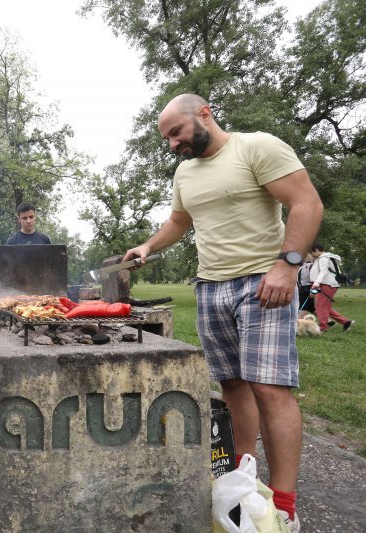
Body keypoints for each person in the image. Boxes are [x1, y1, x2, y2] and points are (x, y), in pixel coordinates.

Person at [123, 94, 323, 531]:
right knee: (232, 385)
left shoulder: (256, 147)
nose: (173, 144)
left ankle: (285, 507)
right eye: (167, 139)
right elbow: (180, 221)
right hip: (211, 287)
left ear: (204, 114)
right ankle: (242, 480)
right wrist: (148, 246)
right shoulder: (185, 171)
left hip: (262, 283)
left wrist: (287, 267)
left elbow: (307, 203)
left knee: (270, 389)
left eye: (176, 132)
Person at [309, 243, 354, 332]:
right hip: (327, 284)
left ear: (317, 250)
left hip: (327, 284)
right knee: (325, 306)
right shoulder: (329, 257)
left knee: (321, 306)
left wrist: (315, 284)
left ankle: (323, 327)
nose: (312, 255)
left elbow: (323, 271)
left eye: (312, 252)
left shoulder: (323, 258)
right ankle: (345, 322)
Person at [296, 254, 316, 319]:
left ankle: (298, 324)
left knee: (303, 307)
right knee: (311, 308)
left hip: (307, 288)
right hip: (303, 288)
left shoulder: (311, 266)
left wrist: (313, 291)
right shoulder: (302, 266)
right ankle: (329, 322)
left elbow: (314, 279)